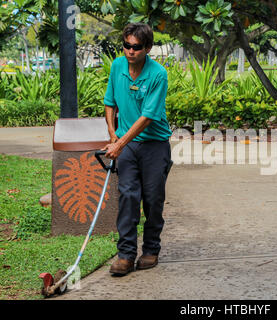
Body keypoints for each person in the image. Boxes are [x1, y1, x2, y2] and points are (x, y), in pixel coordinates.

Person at [102, 23, 173, 276]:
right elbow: (110, 103)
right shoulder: (117, 66)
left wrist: (119, 143)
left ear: (148, 48)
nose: (130, 51)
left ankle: (151, 249)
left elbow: (147, 117)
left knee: (153, 200)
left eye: (136, 47)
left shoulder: (158, 74)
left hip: (154, 144)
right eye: (127, 46)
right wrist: (113, 133)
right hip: (128, 145)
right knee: (128, 196)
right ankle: (125, 254)